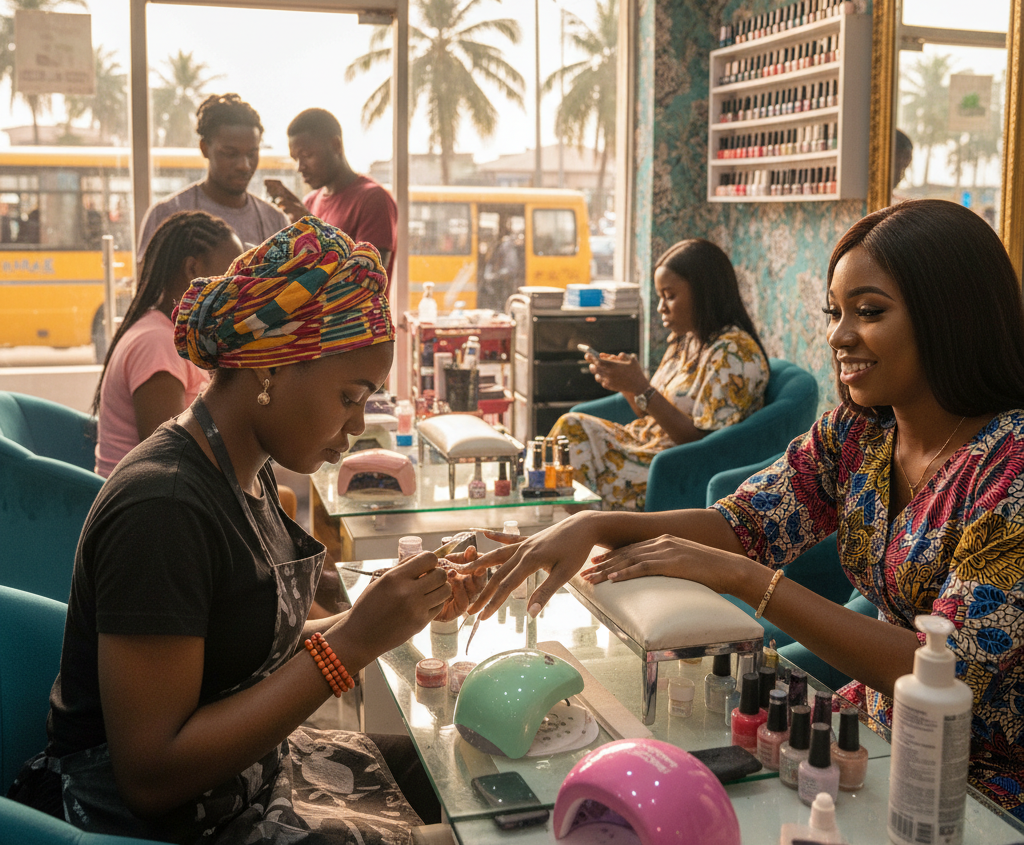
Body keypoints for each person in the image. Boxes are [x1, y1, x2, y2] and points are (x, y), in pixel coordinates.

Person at [462, 199, 1024, 816]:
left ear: (952, 316)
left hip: (984, 780)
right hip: (873, 734)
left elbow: (955, 674)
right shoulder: (859, 434)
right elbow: (744, 522)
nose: (838, 336)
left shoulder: (1011, 468)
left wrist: (743, 578)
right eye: (834, 313)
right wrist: (594, 523)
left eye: (869, 312)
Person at [11, 216, 482, 843]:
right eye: (350, 397)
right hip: (162, 822)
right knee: (471, 835)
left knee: (468, 772)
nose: (357, 425)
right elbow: (150, 778)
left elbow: (237, 645)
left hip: (245, 778)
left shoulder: (243, 469)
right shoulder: (165, 509)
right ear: (270, 371)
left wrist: (385, 610)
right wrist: (353, 644)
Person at [548, 238, 769, 510]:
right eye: (660, 296)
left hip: (669, 465)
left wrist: (641, 386)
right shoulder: (685, 340)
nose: (661, 307)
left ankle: (592, 533)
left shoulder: (734, 353)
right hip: (642, 443)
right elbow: (647, 413)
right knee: (567, 433)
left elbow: (704, 446)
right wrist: (626, 384)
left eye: (670, 296)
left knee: (570, 436)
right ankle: (589, 534)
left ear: (704, 292)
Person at [93, 210, 243, 478]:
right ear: (193, 270)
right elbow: (170, 460)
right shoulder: (158, 343)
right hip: (144, 506)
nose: (237, 287)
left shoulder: (170, 334)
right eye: (229, 274)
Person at [136, 94, 288, 261]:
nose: (244, 165)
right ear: (204, 148)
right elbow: (147, 285)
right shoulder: (167, 214)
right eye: (230, 153)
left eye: (252, 154)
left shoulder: (276, 221)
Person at [265, 108, 397, 288]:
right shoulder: (310, 202)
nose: (300, 167)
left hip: (357, 316)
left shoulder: (373, 199)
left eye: (307, 156)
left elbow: (366, 278)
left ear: (336, 145)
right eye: (295, 159)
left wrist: (315, 231)